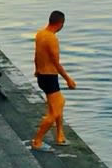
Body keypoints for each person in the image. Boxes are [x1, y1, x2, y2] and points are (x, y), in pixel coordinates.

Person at [31, 10, 77, 150]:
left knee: (56, 105)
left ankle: (59, 136)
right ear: (60, 24)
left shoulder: (40, 34)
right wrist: (68, 79)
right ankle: (37, 141)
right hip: (49, 77)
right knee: (56, 109)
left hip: (42, 75)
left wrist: (36, 69)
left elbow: (37, 55)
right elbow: (56, 63)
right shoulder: (52, 39)